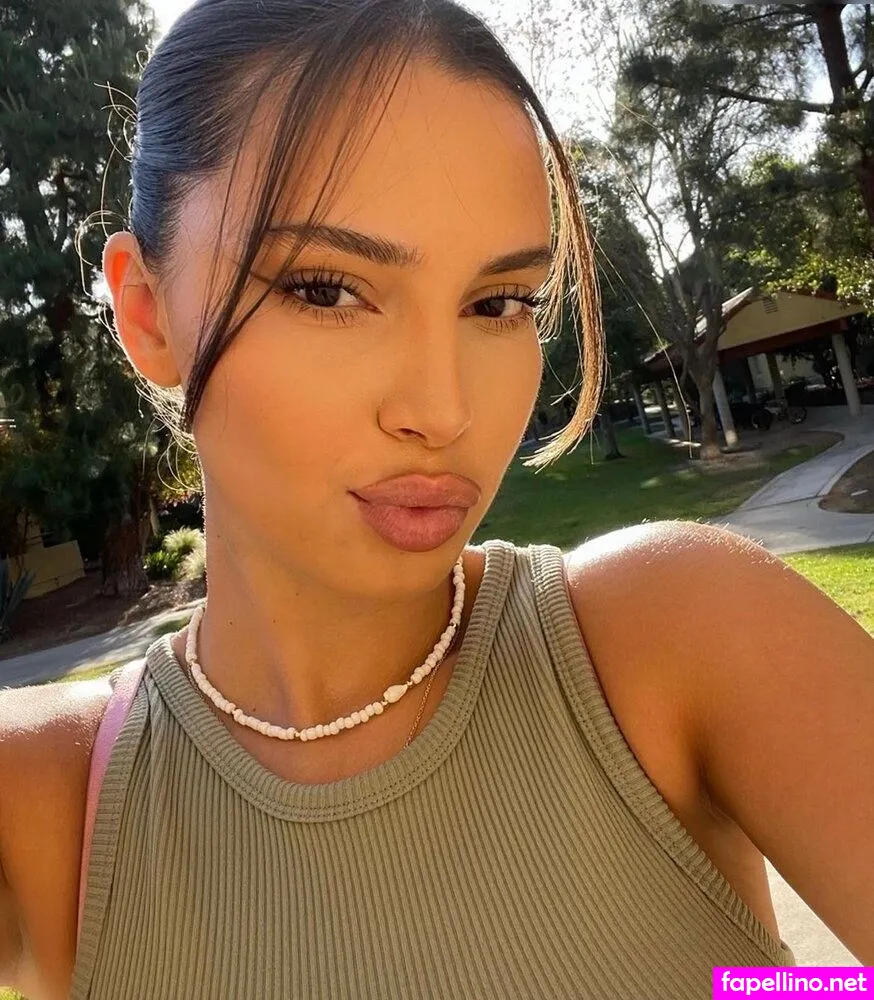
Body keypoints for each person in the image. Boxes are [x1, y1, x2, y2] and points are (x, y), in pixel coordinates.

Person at [1, 0, 872, 996]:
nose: (443, 409)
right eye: (328, 290)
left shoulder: (685, 636)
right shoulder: (48, 804)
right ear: (147, 312)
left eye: (498, 303)